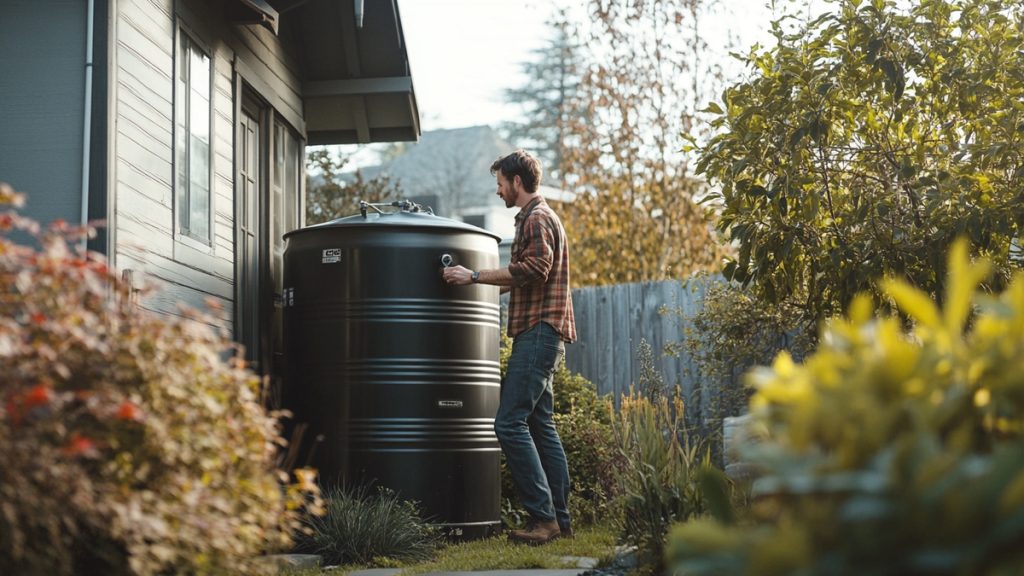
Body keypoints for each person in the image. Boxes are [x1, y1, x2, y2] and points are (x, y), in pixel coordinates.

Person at [443, 149, 576, 545]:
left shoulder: (536, 218)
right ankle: (561, 520)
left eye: (500, 182)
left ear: (517, 182)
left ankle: (543, 517)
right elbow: (527, 275)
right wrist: (477, 284)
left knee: (508, 423)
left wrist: (476, 274)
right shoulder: (543, 217)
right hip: (545, 330)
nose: (498, 189)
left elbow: (536, 268)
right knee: (540, 425)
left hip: (537, 333)